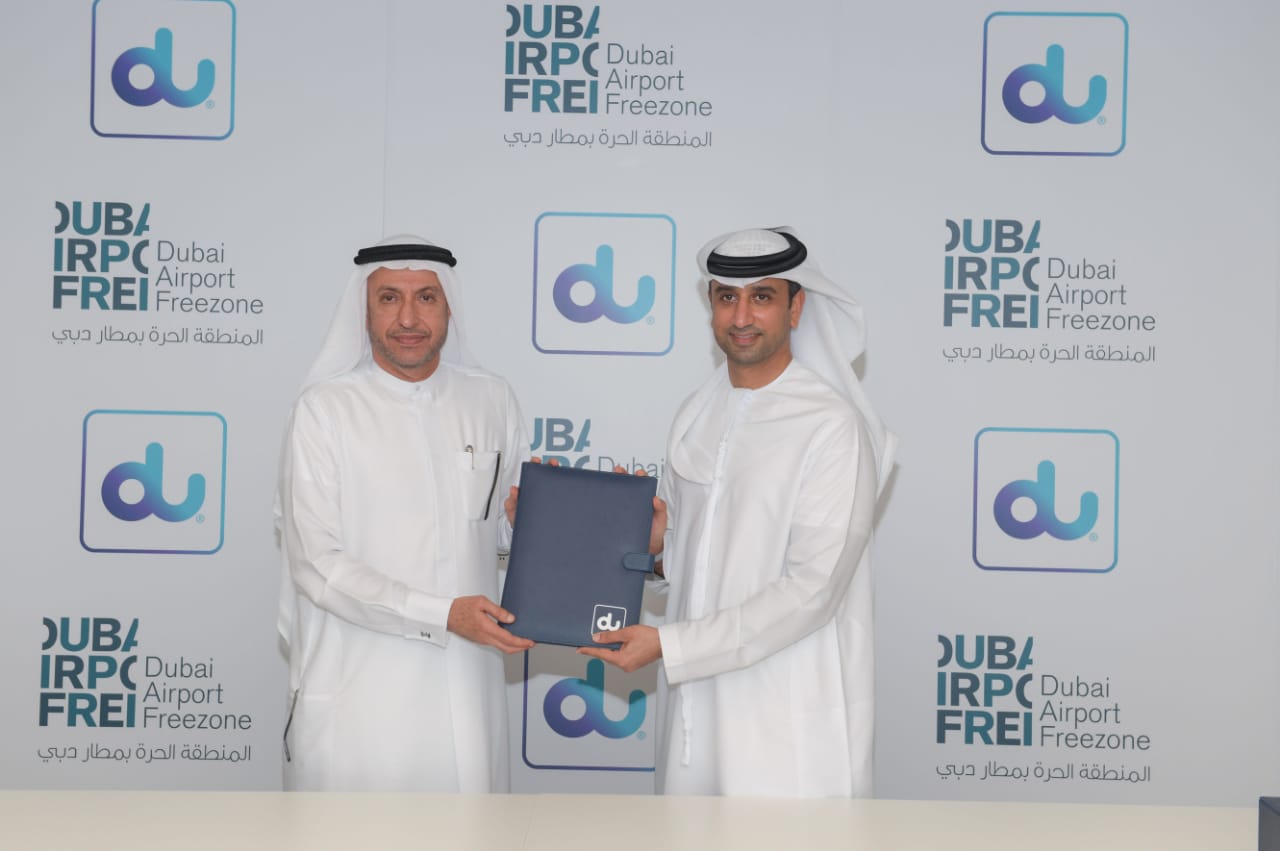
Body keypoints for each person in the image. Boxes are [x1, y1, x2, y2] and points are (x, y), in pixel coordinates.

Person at [580, 226, 896, 797]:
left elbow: (812, 591)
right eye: (727, 297)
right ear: (711, 304)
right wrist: (656, 549)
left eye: (762, 297)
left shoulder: (831, 426)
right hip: (694, 715)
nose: (742, 316)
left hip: (786, 712)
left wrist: (671, 646)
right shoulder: (695, 414)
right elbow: (694, 565)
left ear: (795, 307)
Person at [275, 234, 533, 793]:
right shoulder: (324, 410)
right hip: (359, 687)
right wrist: (442, 614)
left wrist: (529, 523)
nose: (409, 318)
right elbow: (316, 564)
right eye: (389, 298)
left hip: (466, 683)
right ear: (364, 310)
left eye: (427, 298)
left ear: (449, 308)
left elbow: (495, 534)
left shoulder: (492, 399)